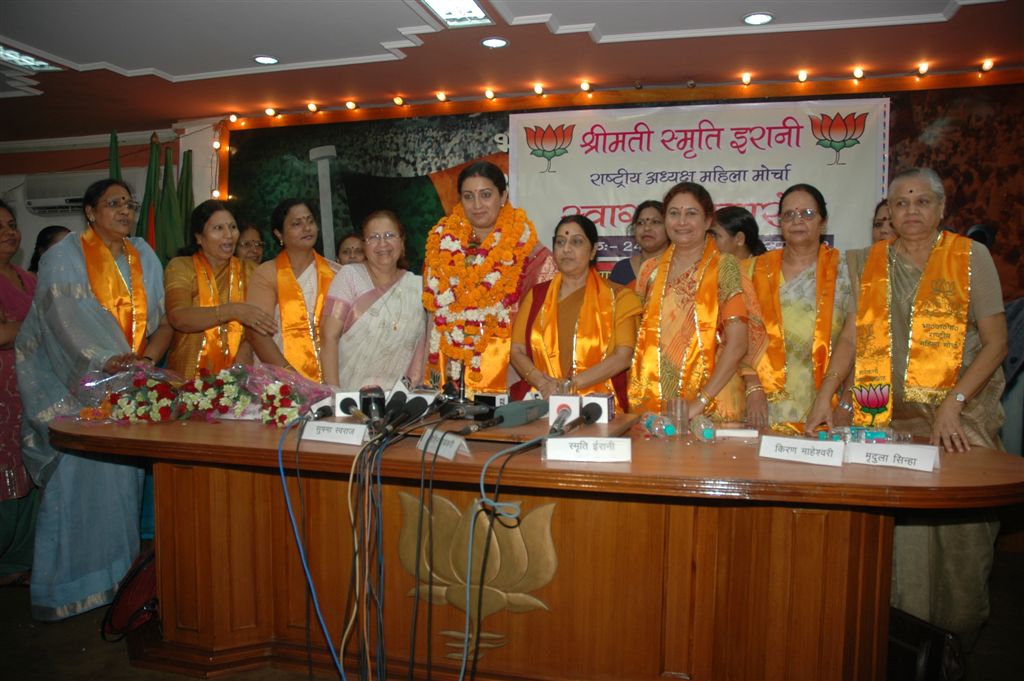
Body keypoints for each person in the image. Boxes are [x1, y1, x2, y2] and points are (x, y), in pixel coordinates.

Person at [847, 167, 1008, 642]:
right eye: (900, 203)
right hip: (892, 421)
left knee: (962, 537)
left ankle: (957, 639)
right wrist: (826, 395)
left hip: (963, 419)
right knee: (904, 539)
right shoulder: (871, 263)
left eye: (921, 202)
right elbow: (852, 339)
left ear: (941, 209)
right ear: (889, 214)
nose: (910, 211)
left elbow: (997, 343)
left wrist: (953, 403)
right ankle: (910, 643)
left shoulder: (970, 256)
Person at [16, 179, 172, 619]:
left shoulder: (144, 254)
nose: (125, 211)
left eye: (130, 203)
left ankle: (116, 584)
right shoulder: (63, 257)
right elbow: (61, 323)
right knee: (78, 488)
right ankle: (69, 589)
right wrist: (106, 362)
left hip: (130, 388)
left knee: (121, 490)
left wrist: (143, 362)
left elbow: (162, 319)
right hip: (79, 394)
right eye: (113, 204)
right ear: (89, 212)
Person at [423, 161, 555, 395]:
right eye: (468, 196)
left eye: (486, 195)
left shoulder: (529, 253)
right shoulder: (441, 246)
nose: (477, 205)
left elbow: (542, 323)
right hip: (448, 363)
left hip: (505, 368)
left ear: (503, 196)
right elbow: (432, 310)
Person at [629, 182, 748, 420]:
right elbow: (637, 337)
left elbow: (737, 343)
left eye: (691, 213)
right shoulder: (649, 271)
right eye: (674, 213)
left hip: (712, 404)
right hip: (655, 402)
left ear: (707, 222)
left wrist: (700, 402)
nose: (681, 221)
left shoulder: (724, 266)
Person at [742, 184, 856, 433]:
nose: (797, 221)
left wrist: (846, 404)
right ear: (780, 223)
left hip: (826, 405)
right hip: (758, 406)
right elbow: (737, 337)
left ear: (823, 222)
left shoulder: (846, 272)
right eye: (789, 215)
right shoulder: (752, 270)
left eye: (807, 214)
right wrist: (752, 387)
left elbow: (858, 343)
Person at [510, 215, 641, 410]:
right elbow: (517, 350)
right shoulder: (536, 296)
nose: (566, 249)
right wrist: (543, 383)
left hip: (598, 406)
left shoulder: (620, 297)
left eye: (577, 242)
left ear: (593, 251)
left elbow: (623, 357)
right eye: (560, 242)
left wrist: (569, 386)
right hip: (540, 401)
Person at [164, 201, 276, 379]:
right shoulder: (181, 267)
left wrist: (247, 348)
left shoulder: (252, 271)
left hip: (239, 379)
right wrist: (232, 311)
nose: (229, 235)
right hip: (187, 377)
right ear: (199, 237)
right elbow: (178, 317)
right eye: (218, 228)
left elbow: (263, 322)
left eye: (232, 227)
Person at [321, 211, 425, 390]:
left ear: (402, 242)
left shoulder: (418, 286)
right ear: (364, 245)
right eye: (374, 237)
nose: (382, 244)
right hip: (352, 396)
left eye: (390, 235)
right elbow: (328, 337)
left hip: (401, 400)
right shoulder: (350, 277)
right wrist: (335, 394)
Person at [246, 199, 339, 382]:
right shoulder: (267, 273)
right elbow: (257, 333)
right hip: (277, 379)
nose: (307, 228)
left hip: (330, 376)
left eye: (310, 221)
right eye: (297, 224)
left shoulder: (335, 273)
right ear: (279, 233)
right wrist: (289, 377)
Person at [0, 201, 38, 586]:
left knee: (28, 465)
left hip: (29, 388)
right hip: (0, 391)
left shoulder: (28, 279)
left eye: (12, 224)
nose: (10, 232)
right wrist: (33, 330)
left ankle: (19, 561)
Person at [608, 200, 667, 286]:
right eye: (640, 223)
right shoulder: (622, 268)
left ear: (669, 228)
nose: (646, 228)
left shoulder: (681, 267)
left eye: (655, 222)